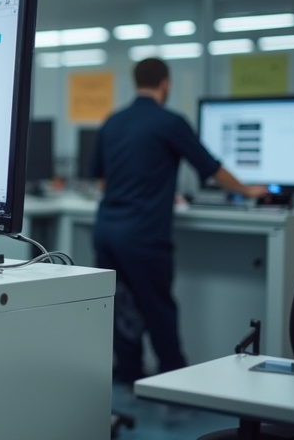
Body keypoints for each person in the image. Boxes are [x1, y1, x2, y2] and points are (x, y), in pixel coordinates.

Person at [90, 57, 267, 389]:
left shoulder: (112, 121)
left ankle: (130, 377)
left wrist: (144, 188)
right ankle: (175, 384)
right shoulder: (169, 122)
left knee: (122, 308)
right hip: (142, 234)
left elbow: (102, 181)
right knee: (158, 310)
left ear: (135, 81)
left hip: (107, 231)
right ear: (165, 84)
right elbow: (210, 168)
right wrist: (248, 190)